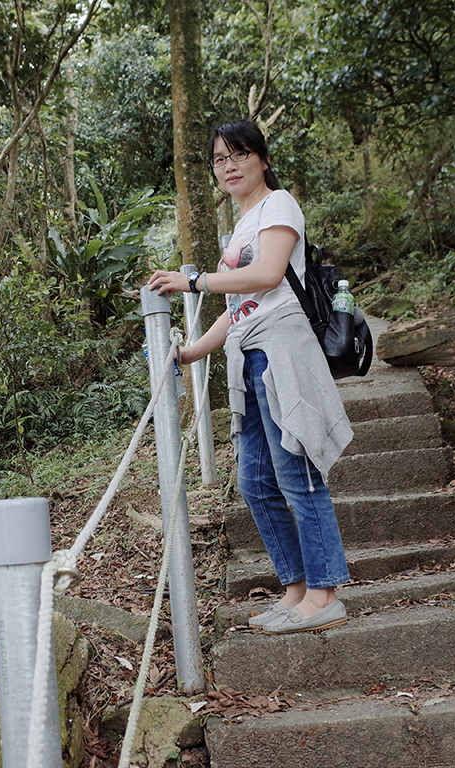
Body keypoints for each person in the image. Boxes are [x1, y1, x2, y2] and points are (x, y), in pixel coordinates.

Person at [147, 119, 353, 634]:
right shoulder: (237, 229)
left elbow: (267, 275)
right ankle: (297, 591)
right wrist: (193, 353)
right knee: (255, 481)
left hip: (281, 350)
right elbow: (238, 307)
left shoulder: (278, 205)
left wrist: (192, 280)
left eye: (239, 153)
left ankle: (326, 593)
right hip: (248, 355)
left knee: (297, 473)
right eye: (220, 159)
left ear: (261, 158)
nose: (230, 165)